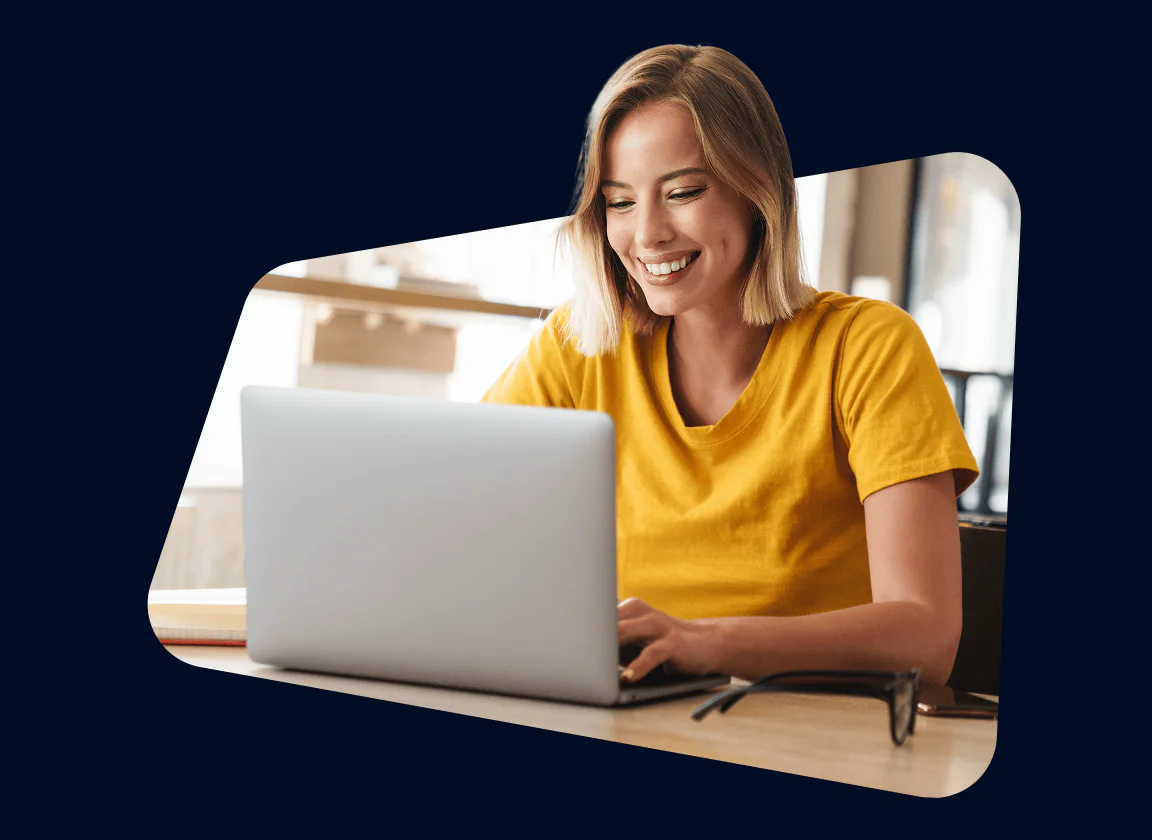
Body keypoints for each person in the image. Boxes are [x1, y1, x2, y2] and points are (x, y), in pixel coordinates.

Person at [482, 45, 978, 687]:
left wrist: (708, 642)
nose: (648, 235)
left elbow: (927, 636)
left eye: (683, 192)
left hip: (811, 734)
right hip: (629, 709)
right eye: (620, 202)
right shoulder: (579, 347)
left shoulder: (868, 347)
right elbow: (457, 525)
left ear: (759, 191)